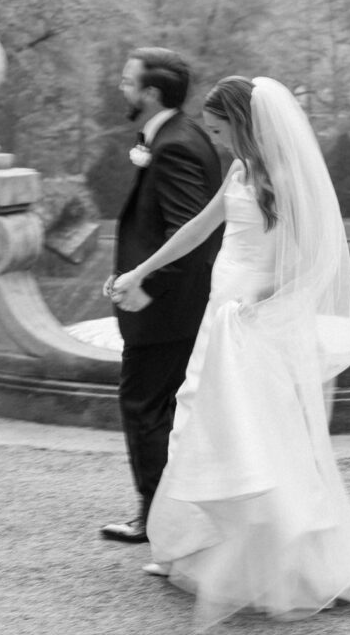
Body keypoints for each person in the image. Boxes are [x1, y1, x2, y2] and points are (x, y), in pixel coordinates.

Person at [111, 76, 350, 628]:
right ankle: (202, 550)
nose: (218, 141)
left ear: (242, 123)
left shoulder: (281, 176)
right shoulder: (239, 170)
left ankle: (287, 564)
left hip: (255, 320)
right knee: (202, 426)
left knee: (257, 436)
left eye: (219, 129)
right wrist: (140, 270)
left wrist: (262, 296)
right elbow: (196, 231)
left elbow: (315, 258)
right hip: (220, 311)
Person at [100, 48, 222, 544]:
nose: (121, 87)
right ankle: (169, 513)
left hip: (166, 312)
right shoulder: (176, 134)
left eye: (128, 81)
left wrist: (144, 287)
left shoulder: (173, 146)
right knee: (163, 410)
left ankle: (155, 519)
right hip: (173, 305)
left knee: (145, 408)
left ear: (151, 94)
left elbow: (188, 233)